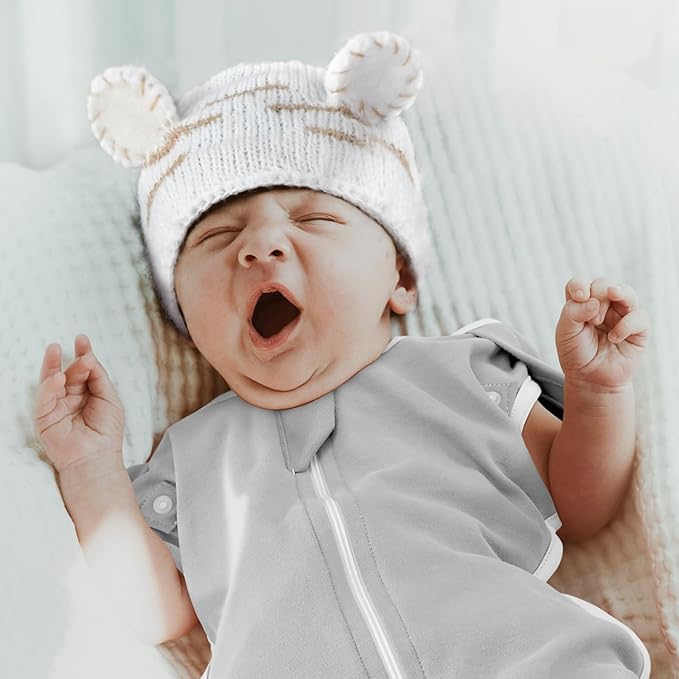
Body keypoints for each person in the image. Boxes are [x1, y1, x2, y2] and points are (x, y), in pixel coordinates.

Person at [33, 30, 652, 678]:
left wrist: (599, 393)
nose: (261, 246)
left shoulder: (462, 375)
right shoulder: (191, 461)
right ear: (185, 317)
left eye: (314, 220)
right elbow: (154, 610)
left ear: (399, 277)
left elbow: (582, 506)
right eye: (218, 236)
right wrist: (90, 469)